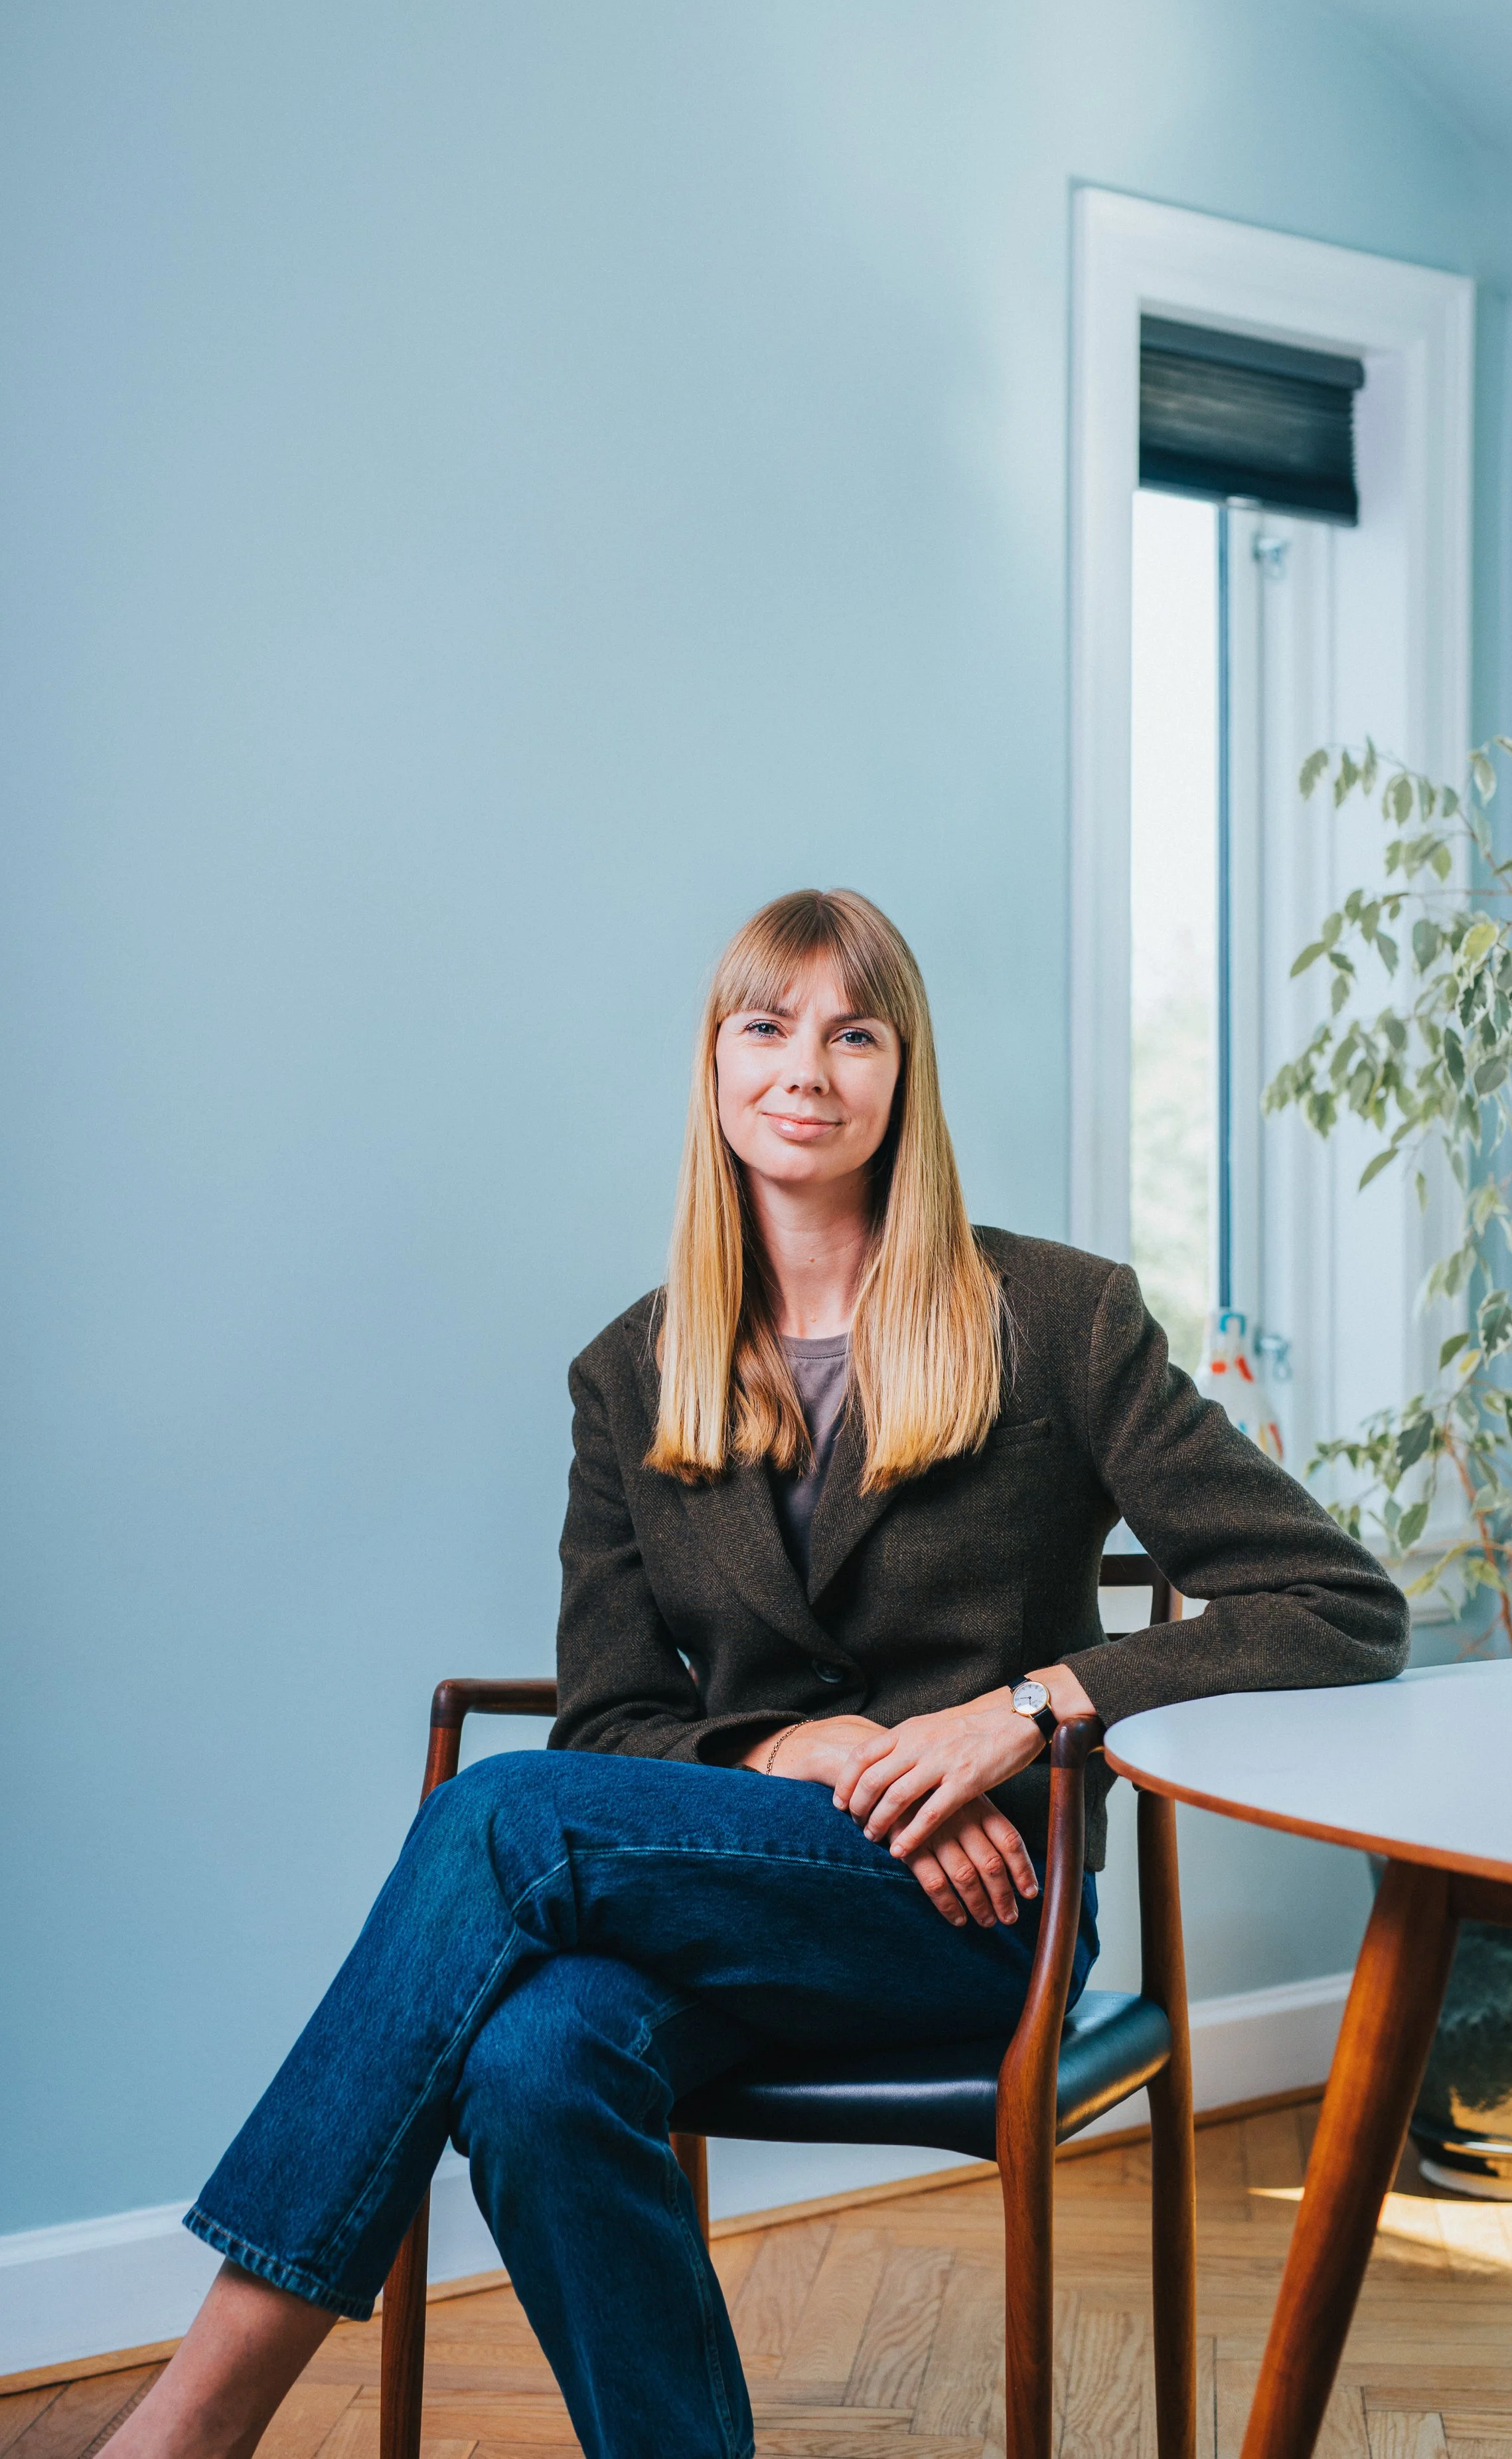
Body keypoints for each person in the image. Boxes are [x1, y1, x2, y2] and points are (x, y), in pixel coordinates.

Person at [106, 888, 1407, 2459]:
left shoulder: (1056, 1319)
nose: (808, 1066)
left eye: (853, 1031)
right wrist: (803, 1753)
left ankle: (191, 2423)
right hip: (724, 1898)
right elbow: (614, 1719)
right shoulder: (628, 1371)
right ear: (715, 1070)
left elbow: (1334, 1601)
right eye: (766, 1027)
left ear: (901, 1075)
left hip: (968, 1915)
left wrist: (1022, 1712)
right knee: (532, 2063)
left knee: (503, 1820)